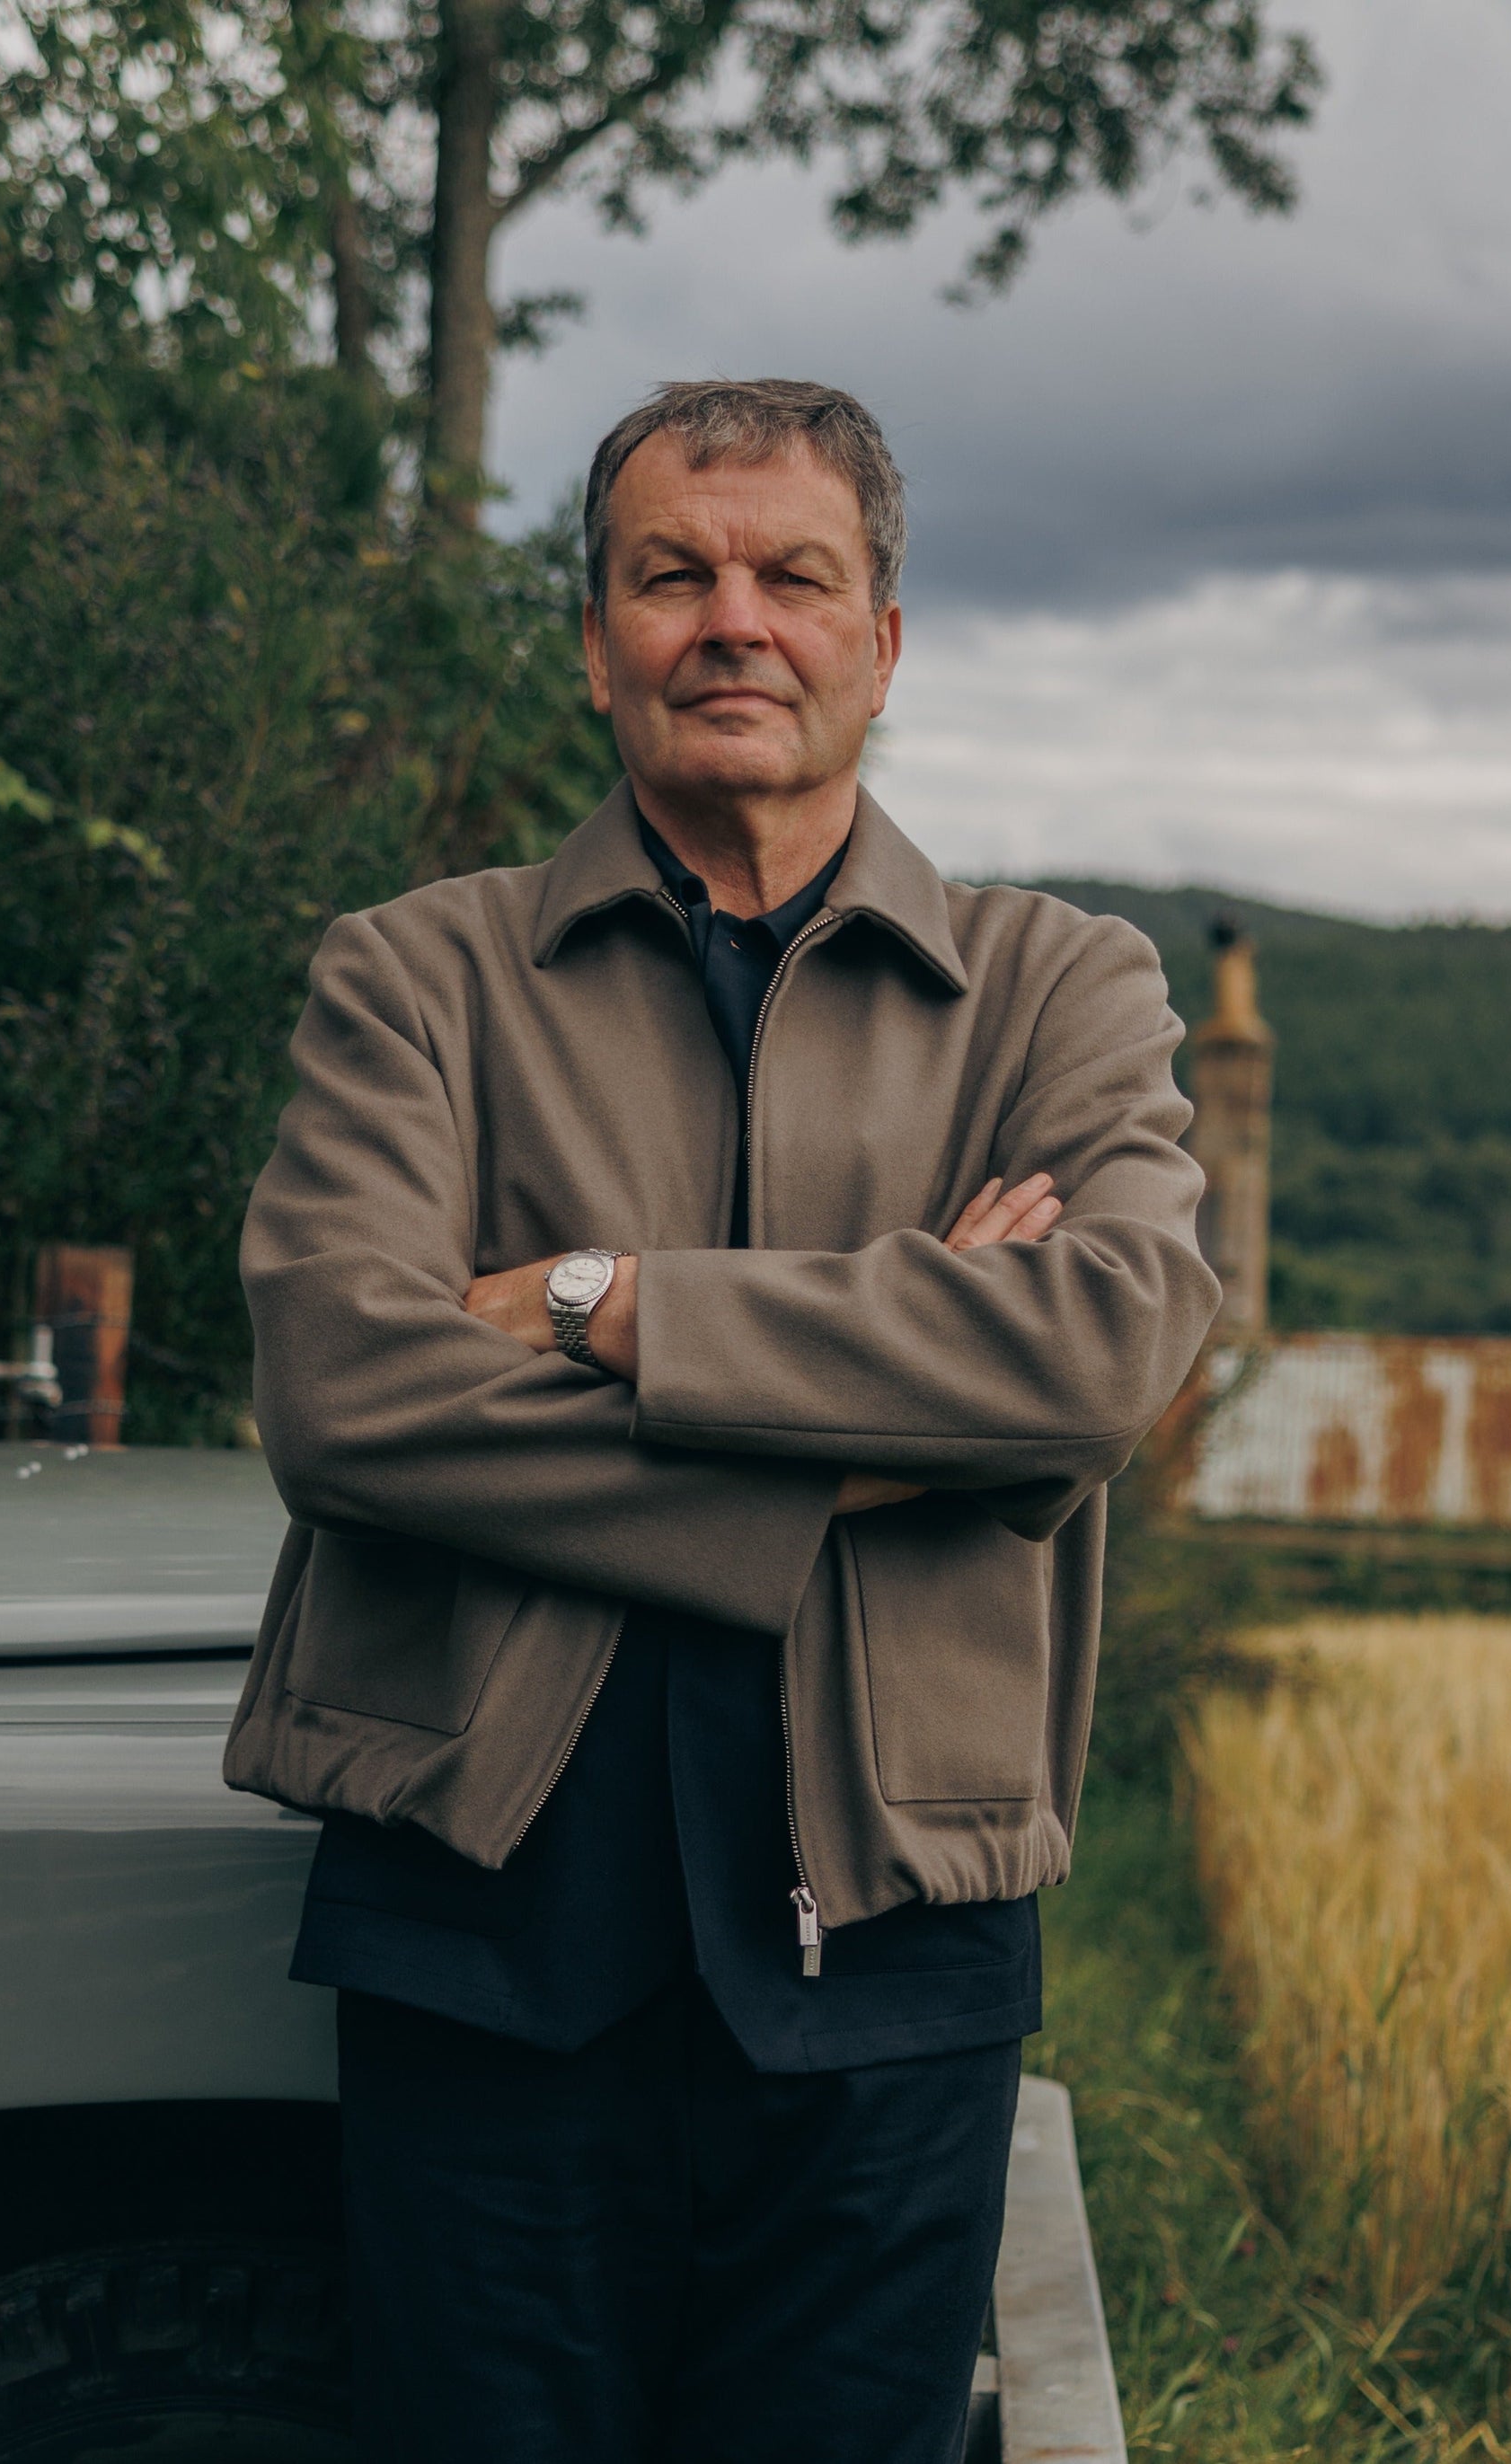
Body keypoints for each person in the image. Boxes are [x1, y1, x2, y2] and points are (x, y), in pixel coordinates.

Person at [225, 376, 1221, 2461]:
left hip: (893, 1940)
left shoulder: (1062, 989)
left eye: (793, 575)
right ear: (597, 639)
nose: (731, 622)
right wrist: (883, 1437)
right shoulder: (421, 978)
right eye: (671, 575)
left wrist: (604, 1303)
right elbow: (343, 1390)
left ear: (883, 641)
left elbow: (1108, 1344)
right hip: (484, 1928)